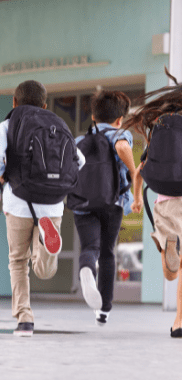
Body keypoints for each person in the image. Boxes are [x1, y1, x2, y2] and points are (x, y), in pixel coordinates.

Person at [0, 80, 85, 337]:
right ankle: (47, 244)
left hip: (18, 201)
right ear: (45, 104)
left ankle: (25, 318)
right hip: (52, 204)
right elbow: (80, 160)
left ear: (14, 102)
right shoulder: (58, 123)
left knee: (18, 262)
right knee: (44, 270)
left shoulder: (8, 124)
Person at [72, 91, 136, 326]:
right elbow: (121, 148)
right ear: (120, 119)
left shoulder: (79, 141)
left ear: (93, 117)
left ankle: (87, 269)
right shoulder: (121, 134)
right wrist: (133, 171)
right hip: (112, 203)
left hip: (83, 203)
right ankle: (104, 310)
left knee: (90, 247)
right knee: (108, 252)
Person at [126, 69, 182, 338]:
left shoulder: (162, 124)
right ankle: (179, 322)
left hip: (165, 203)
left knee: (172, 270)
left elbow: (139, 172)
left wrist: (137, 198)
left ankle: (168, 244)